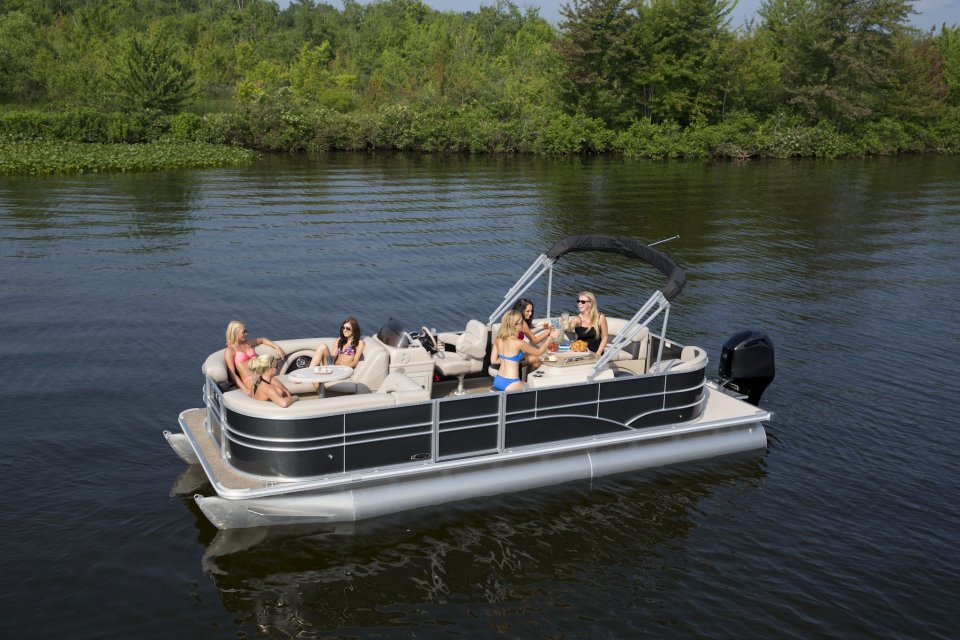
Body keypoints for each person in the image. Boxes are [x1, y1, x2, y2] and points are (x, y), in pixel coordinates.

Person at [491, 310, 558, 392]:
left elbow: (494, 360)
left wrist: (513, 360)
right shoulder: (518, 342)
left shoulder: (498, 339)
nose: (523, 324)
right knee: (538, 386)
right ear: (515, 325)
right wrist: (550, 338)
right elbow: (539, 352)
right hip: (512, 383)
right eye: (521, 322)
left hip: (498, 380)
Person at [224, 320, 287, 396]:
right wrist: (245, 389)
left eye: (246, 331)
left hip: (262, 376)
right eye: (243, 332)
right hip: (250, 380)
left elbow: (262, 340)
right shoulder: (230, 350)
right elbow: (232, 373)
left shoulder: (247, 344)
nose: (246, 334)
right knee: (278, 392)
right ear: (235, 333)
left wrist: (276, 347)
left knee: (285, 391)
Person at [513, 297, 551, 371]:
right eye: (528, 311)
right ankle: (530, 380)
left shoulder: (512, 318)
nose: (530, 313)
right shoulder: (522, 323)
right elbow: (534, 340)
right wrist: (548, 332)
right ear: (521, 310)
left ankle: (527, 378)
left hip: (507, 355)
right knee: (537, 359)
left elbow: (527, 330)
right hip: (513, 359)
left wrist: (540, 326)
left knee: (530, 354)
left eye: (531, 311)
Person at [566, 290, 609, 355]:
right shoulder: (578, 319)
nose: (579, 303)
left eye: (583, 302)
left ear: (590, 304)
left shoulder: (600, 318)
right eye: (578, 301)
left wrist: (598, 354)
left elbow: (605, 338)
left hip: (596, 353)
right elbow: (569, 328)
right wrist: (565, 324)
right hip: (580, 352)